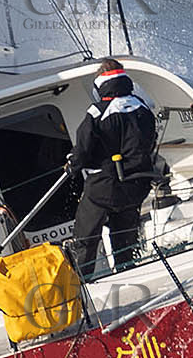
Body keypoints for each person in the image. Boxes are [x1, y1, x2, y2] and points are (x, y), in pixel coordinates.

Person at [64, 59, 158, 275]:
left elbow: (83, 150)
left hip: (105, 186)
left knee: (86, 236)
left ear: (101, 83)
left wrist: (73, 164)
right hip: (137, 183)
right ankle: (128, 272)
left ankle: (83, 281)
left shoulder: (97, 112)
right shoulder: (142, 106)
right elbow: (150, 141)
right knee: (124, 236)